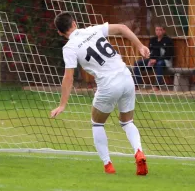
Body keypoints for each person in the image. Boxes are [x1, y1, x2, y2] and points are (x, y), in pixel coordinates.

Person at [50, 12, 149, 175]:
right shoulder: (92, 30)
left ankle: (108, 164)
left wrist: (62, 104)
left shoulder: (69, 48)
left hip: (108, 85)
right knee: (127, 122)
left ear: (60, 32)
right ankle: (139, 151)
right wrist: (140, 46)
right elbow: (123, 28)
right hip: (126, 77)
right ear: (74, 23)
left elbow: (68, 78)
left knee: (97, 123)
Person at [133, 25, 174, 90]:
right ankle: (136, 84)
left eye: (160, 30)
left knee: (159, 64)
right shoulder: (152, 40)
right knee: (137, 63)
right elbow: (150, 52)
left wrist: (156, 60)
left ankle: (156, 86)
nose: (158, 32)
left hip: (164, 62)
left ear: (164, 31)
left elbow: (169, 55)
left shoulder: (168, 41)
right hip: (152, 61)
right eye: (156, 30)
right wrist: (151, 58)